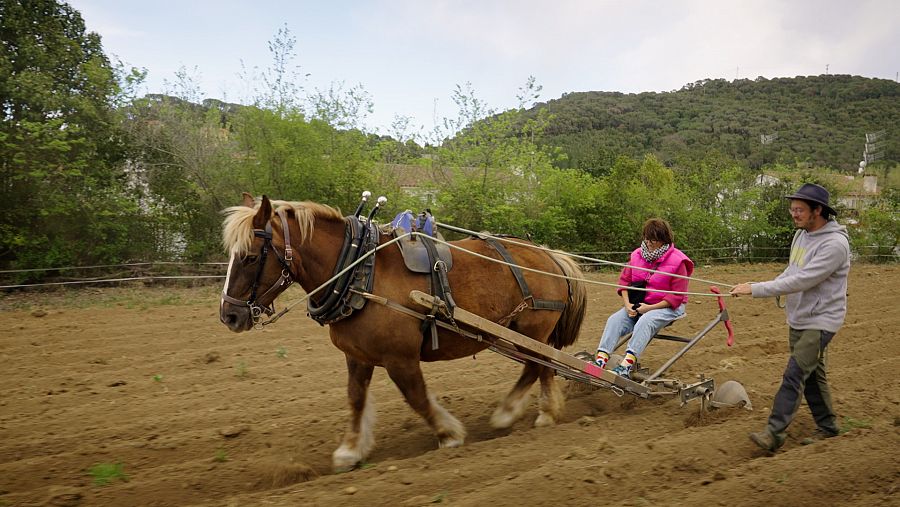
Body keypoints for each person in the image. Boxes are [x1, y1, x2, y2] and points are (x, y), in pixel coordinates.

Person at [730, 183, 850, 452]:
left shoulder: (835, 244)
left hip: (822, 320)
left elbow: (803, 280)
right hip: (799, 317)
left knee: (795, 373)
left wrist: (756, 289)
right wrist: (759, 284)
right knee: (812, 376)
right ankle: (828, 427)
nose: (793, 214)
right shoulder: (802, 235)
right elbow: (791, 271)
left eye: (799, 210)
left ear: (817, 210)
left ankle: (774, 433)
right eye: (792, 209)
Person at [594, 218, 694, 379]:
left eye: (653, 239)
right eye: (646, 238)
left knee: (645, 320)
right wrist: (627, 305)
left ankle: (626, 366)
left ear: (664, 240)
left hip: (667, 307)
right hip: (639, 304)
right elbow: (624, 282)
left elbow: (676, 296)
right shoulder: (636, 256)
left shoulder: (678, 261)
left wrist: (648, 308)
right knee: (614, 320)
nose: (649, 243)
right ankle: (600, 360)